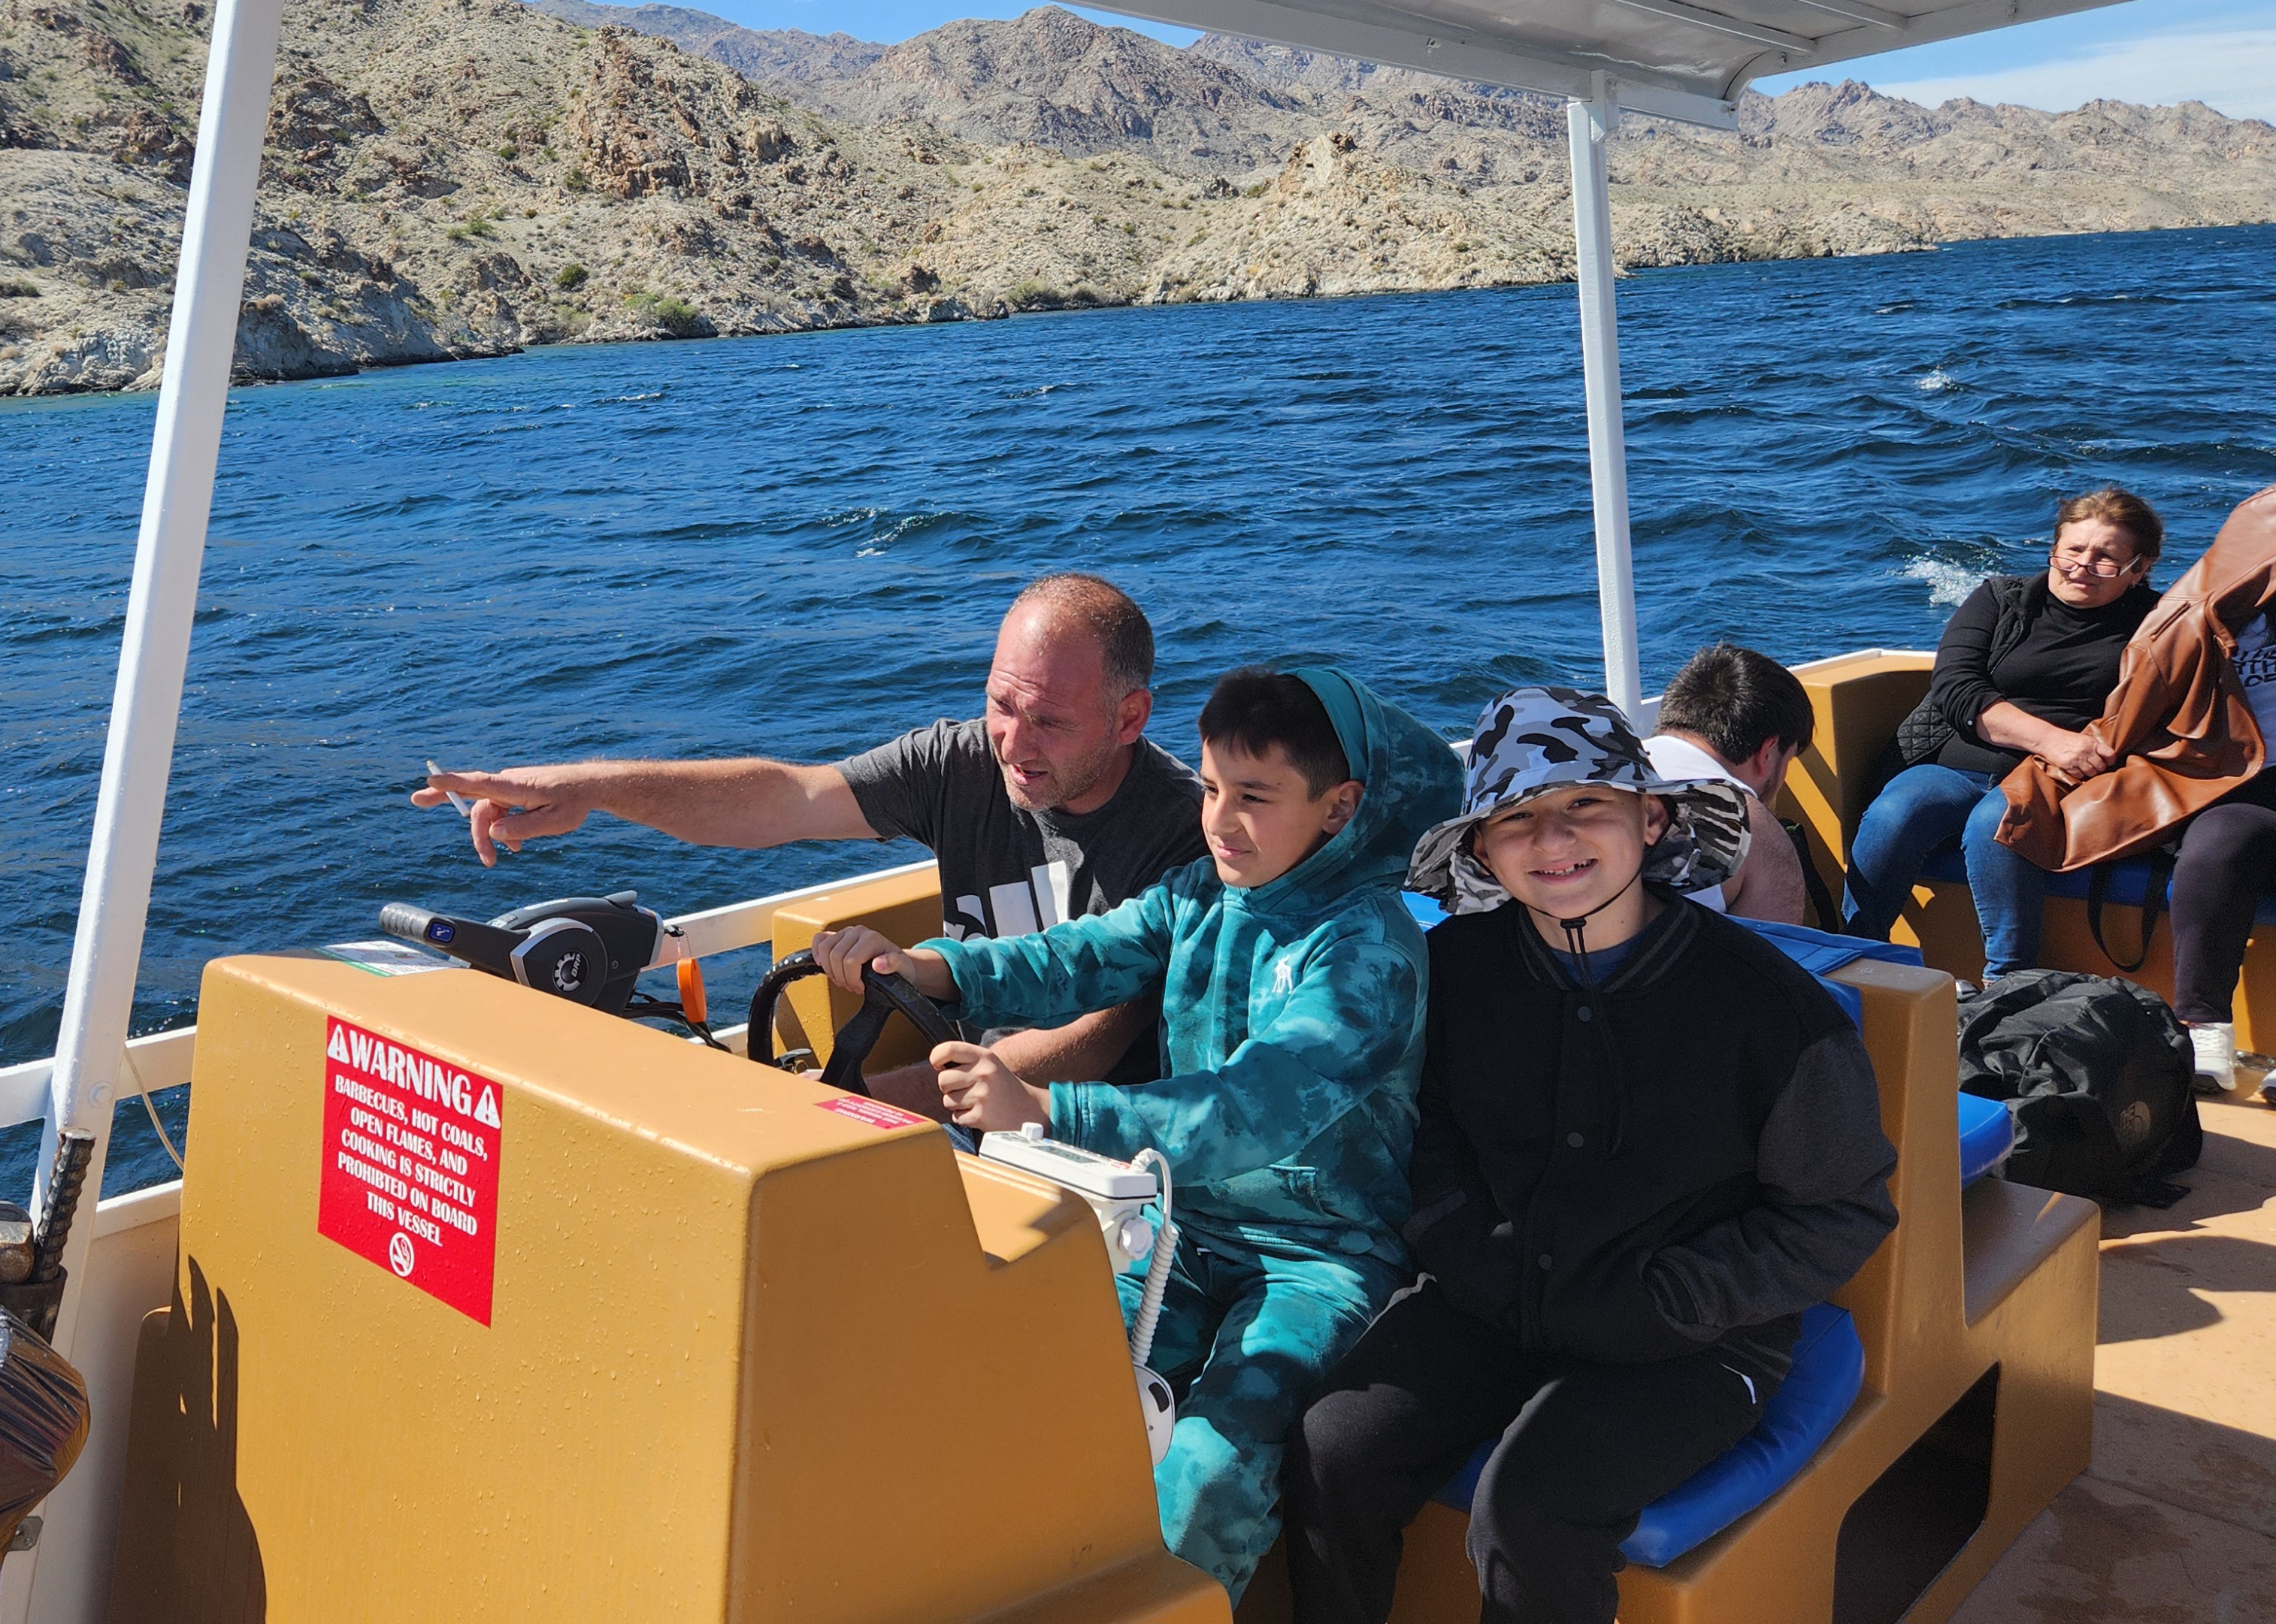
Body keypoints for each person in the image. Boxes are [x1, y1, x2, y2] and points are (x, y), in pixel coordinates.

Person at [808, 666, 1463, 1604]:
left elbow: (1253, 1107)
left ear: (1339, 806)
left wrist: (1052, 1112)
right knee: (1023, 1393)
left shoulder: (1367, 952)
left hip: (1320, 1258)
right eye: (1210, 787)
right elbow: (1079, 955)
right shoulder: (1199, 893)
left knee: (1208, 1479)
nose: (1220, 820)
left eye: (1254, 797)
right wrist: (932, 969)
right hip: (1180, 1228)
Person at [1279, 686, 1899, 1624]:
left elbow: (1844, 1211)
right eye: (1516, 818)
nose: (1554, 837)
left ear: (1651, 820)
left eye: (1585, 803)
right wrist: (1467, 1251)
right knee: (1332, 1445)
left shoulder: (1770, 1009)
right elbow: (1429, 1133)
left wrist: (1673, 1296)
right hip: (1491, 1301)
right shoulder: (1454, 972)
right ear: (1483, 851)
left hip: (1690, 1340)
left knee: (1531, 1510)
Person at [413, 573, 1208, 1108]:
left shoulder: (1187, 833)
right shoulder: (961, 762)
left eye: (1049, 722)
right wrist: (589, 788)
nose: (1013, 742)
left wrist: (857, 1105)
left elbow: (1096, 1040)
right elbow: (785, 798)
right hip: (958, 1108)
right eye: (1001, 704)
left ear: (1129, 718)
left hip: (1099, 1147)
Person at [1996, 485, 2276, 1096]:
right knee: (2217, 846)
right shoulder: (2202, 619)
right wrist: (2052, 775)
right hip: (2238, 777)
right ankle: (2203, 1029)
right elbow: (2127, 717)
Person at [1842, 488, 2165, 981]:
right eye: (2072, 550)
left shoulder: (2157, 626)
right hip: (1961, 763)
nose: (2081, 566)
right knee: (1897, 810)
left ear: (2139, 569)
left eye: (2105, 558)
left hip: (2068, 779)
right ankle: (1854, 962)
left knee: (1997, 821)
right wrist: (2051, 740)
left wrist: (2065, 753)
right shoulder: (2000, 599)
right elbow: (1955, 687)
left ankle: (2008, 984)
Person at [1649, 643, 1814, 924]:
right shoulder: (1750, 826)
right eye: (1787, 761)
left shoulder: (1607, 769)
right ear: (1767, 753)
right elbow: (1776, 951)